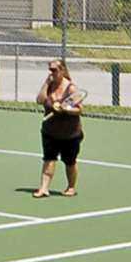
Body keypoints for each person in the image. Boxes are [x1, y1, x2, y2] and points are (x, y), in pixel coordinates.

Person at [33, 58, 85, 199]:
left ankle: (71, 187)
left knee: (69, 161)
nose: (52, 73)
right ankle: (44, 188)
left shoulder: (71, 88)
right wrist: (46, 83)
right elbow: (39, 100)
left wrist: (66, 109)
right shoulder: (49, 86)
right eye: (50, 70)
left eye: (54, 70)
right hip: (50, 131)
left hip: (70, 133)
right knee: (49, 159)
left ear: (62, 70)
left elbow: (79, 110)